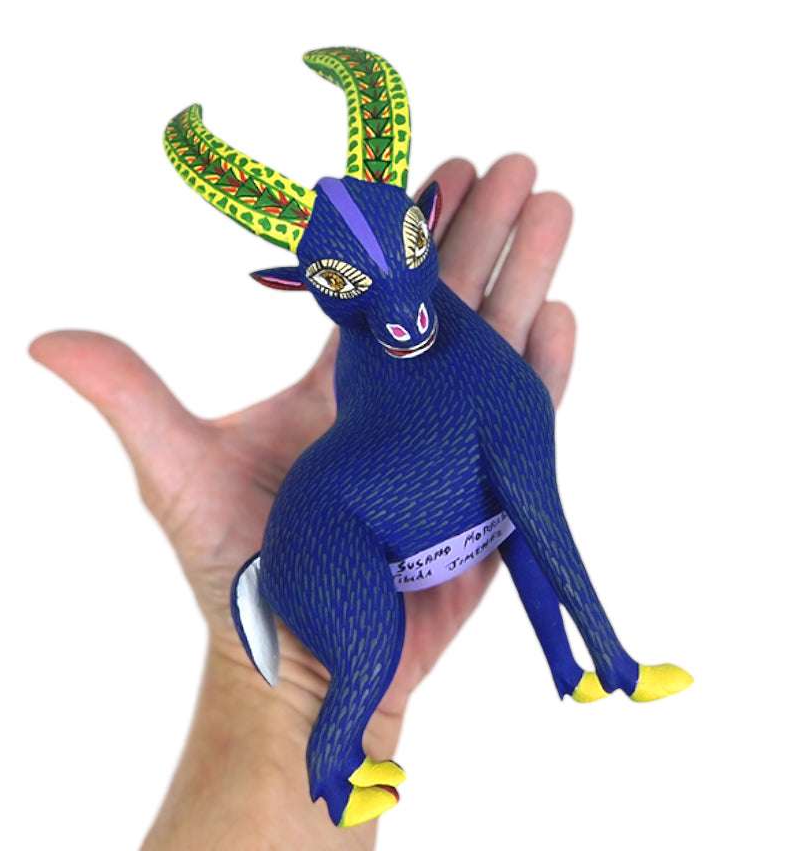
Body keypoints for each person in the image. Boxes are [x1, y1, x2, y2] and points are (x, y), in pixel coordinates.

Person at [30, 154, 576, 850]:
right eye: (342, 281)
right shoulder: (358, 365)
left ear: (427, 223)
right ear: (295, 285)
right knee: (377, 642)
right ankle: (331, 774)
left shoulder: (422, 353)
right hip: (347, 537)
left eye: (413, 242)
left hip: (411, 523)